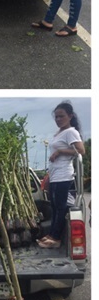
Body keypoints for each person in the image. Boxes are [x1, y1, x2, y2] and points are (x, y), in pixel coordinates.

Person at [37, 102, 85, 248]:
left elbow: (81, 151)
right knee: (55, 206)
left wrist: (60, 152)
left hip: (64, 175)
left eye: (61, 116)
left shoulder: (71, 132)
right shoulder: (59, 133)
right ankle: (51, 234)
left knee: (60, 207)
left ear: (70, 116)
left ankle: (56, 239)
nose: (58, 119)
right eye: (56, 117)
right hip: (55, 175)